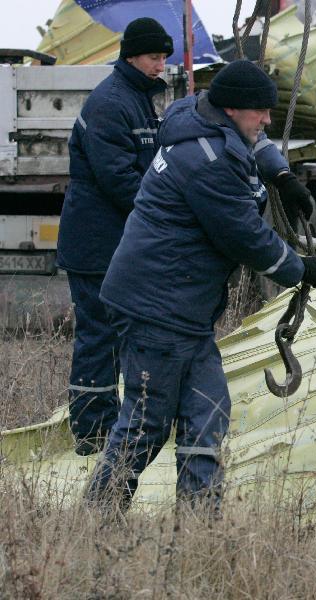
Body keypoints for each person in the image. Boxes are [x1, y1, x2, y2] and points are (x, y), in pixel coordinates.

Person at [85, 60, 316, 514]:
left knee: (207, 414)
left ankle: (198, 527)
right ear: (233, 109)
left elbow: (254, 141)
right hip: (157, 306)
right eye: (261, 112)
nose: (268, 120)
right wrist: (298, 269)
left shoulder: (198, 115)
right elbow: (245, 237)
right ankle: (96, 519)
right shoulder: (207, 162)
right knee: (145, 424)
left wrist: (282, 175)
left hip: (183, 312)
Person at [56, 18, 173, 456]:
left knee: (117, 336)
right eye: (152, 57)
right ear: (130, 56)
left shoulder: (141, 99)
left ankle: (111, 423)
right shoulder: (111, 103)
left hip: (118, 244)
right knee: (97, 337)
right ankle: (92, 433)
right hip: (96, 244)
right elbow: (118, 178)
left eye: (164, 57)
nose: (160, 65)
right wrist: (167, 212)